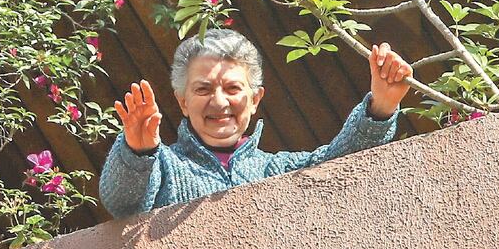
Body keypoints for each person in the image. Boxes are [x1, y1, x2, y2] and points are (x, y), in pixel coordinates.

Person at [99, 29, 412, 218]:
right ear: (182, 101)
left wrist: (381, 106)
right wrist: (136, 153)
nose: (219, 102)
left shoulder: (274, 171)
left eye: (233, 89)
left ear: (255, 98)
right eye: (203, 89)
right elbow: (120, 202)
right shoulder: (164, 165)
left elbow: (341, 164)